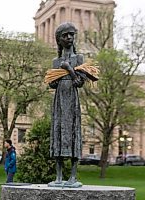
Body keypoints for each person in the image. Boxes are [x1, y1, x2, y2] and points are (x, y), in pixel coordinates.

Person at [47, 23, 86, 187]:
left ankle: (73, 176)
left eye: (71, 34)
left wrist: (70, 69)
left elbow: (79, 82)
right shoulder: (56, 61)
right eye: (65, 35)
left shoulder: (79, 59)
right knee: (58, 132)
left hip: (72, 100)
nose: (69, 38)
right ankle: (59, 176)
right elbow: (52, 85)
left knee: (72, 132)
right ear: (59, 39)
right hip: (59, 102)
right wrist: (54, 79)